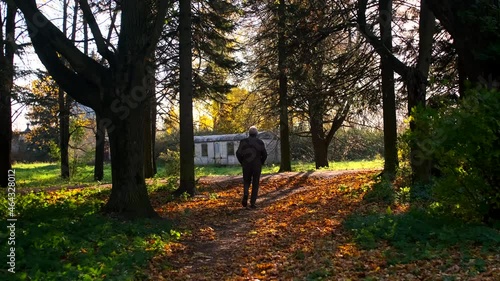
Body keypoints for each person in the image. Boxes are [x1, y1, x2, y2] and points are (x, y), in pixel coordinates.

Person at [236, 126, 267, 209]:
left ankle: (246, 194)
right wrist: (261, 162)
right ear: (256, 133)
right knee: (255, 183)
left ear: (249, 133)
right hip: (257, 165)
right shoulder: (260, 142)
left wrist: (242, 162)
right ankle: (252, 203)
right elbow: (264, 154)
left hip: (246, 165)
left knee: (246, 181)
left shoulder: (243, 142)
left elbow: (238, 153)